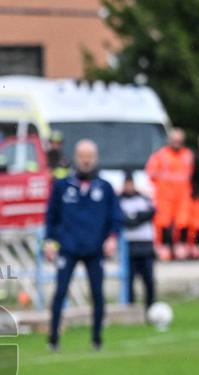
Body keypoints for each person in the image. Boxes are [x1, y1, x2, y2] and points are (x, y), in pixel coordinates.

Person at [43, 140, 123, 351]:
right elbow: (51, 216)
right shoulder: (62, 186)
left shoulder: (105, 187)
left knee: (97, 293)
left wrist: (112, 238)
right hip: (68, 248)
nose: (86, 160)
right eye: (82, 156)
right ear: (76, 158)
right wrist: (49, 241)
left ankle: (96, 339)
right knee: (60, 292)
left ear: (95, 158)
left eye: (90, 156)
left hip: (94, 249)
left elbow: (115, 216)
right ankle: (53, 339)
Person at [145, 128, 194, 261]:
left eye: (179, 140)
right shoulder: (160, 155)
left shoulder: (188, 155)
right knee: (163, 222)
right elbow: (151, 173)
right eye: (174, 140)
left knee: (183, 221)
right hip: (164, 195)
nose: (176, 143)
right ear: (169, 140)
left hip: (183, 195)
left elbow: (194, 174)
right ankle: (164, 247)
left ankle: (181, 246)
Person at [119, 174, 156, 311]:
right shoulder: (119, 201)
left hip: (145, 244)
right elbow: (123, 219)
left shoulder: (143, 198)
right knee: (129, 280)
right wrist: (137, 217)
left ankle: (150, 307)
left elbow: (151, 213)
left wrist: (135, 217)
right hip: (129, 245)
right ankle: (131, 308)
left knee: (149, 279)